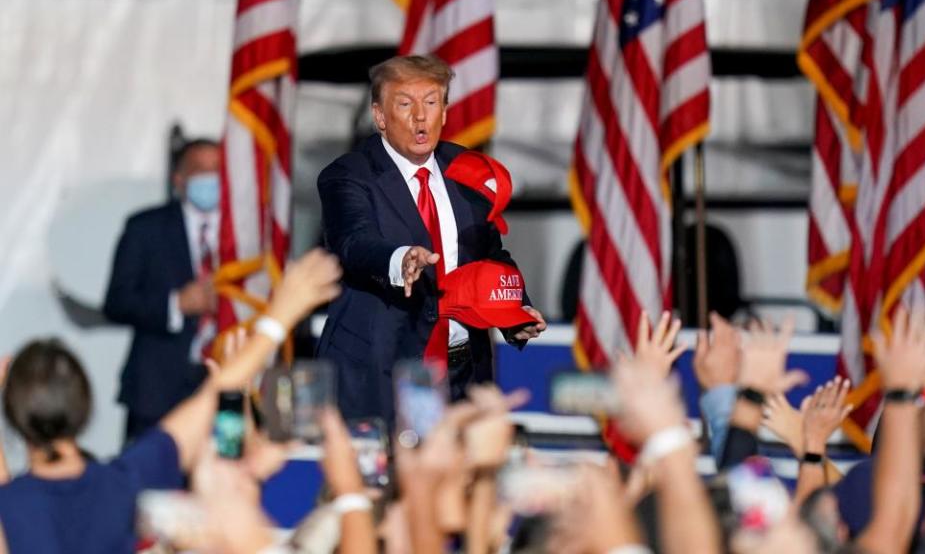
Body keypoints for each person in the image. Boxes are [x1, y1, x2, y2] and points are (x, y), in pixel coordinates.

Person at [0, 249, 342, 554]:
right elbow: (215, 398)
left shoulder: (10, 506)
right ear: (85, 407)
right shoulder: (125, 482)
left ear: (15, 417)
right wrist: (280, 315)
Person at [316, 54, 546, 423]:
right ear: (379, 116)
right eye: (405, 104)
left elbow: (490, 253)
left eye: (431, 102)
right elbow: (354, 243)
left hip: (462, 374)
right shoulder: (347, 176)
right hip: (383, 370)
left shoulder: (469, 170)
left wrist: (514, 310)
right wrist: (400, 259)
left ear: (445, 110)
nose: (420, 116)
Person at [103, 138, 222, 441]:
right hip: (156, 391)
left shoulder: (247, 233)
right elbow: (117, 301)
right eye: (199, 170)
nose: (210, 178)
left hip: (224, 384)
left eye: (217, 169)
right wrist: (175, 304)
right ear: (179, 179)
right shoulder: (145, 227)